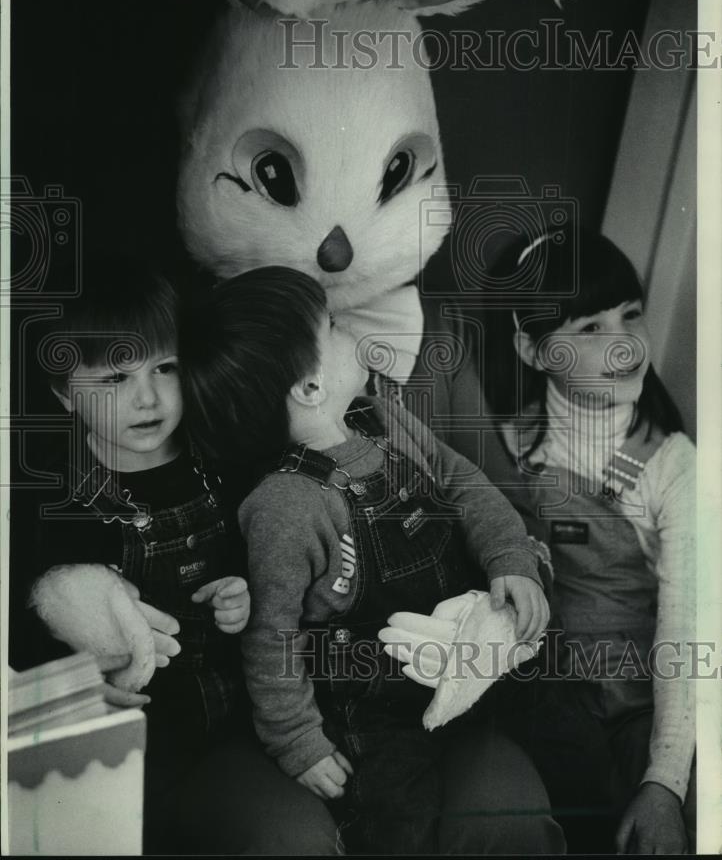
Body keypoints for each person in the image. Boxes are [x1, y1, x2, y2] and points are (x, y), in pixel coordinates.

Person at [180, 264, 565, 856]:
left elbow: (460, 480)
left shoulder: (377, 416)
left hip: (464, 662)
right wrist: (296, 740)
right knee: (399, 824)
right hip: (373, 714)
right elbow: (269, 634)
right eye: (332, 326)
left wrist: (509, 557)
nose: (348, 327)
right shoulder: (287, 504)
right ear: (309, 388)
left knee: (564, 728)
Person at [11, 262, 340, 855]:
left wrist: (242, 589)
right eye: (114, 379)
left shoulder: (221, 462)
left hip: (226, 737)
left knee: (298, 841)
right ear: (64, 393)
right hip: (105, 748)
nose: (147, 397)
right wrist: (76, 679)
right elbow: (26, 630)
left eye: (164, 368)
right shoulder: (49, 500)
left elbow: (273, 564)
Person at [476, 226, 696, 854]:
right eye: (590, 329)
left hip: (642, 707)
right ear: (533, 348)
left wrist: (664, 785)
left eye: (631, 315)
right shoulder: (507, 443)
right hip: (545, 700)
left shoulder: (672, 465)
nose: (625, 346)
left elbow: (686, 633)